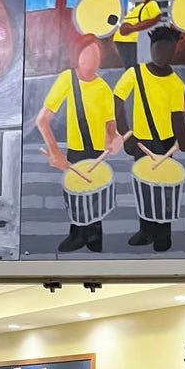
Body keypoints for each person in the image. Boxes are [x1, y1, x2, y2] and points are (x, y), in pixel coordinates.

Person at [114, 25, 185, 252]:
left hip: (165, 143)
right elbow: (117, 99)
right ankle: (146, 230)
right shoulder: (135, 73)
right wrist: (126, 134)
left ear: (174, 52)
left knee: (165, 188)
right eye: (159, 49)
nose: (163, 54)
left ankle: (163, 233)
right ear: (151, 48)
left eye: (168, 50)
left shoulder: (176, 83)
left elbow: (176, 119)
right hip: (140, 143)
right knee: (144, 186)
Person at [36, 34, 122, 253]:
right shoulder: (67, 79)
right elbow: (42, 120)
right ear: (77, 56)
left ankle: (94, 236)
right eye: (87, 55)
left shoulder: (103, 88)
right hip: (76, 150)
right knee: (76, 194)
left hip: (98, 152)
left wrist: (114, 138)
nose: (92, 61)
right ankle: (77, 235)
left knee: (96, 194)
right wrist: (55, 152)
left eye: (96, 56)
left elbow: (110, 122)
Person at [113, 0, 161, 68]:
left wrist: (132, 29)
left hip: (133, 41)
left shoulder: (152, 4)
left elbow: (155, 19)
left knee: (133, 66)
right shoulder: (141, 6)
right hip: (123, 40)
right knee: (129, 66)